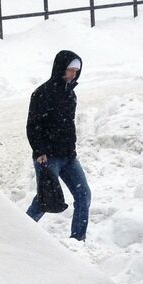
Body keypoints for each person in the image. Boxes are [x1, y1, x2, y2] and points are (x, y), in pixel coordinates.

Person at [25, 49, 91, 241]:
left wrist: (71, 149)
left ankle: (78, 240)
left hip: (68, 156)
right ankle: (20, 231)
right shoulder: (42, 93)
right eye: (70, 69)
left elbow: (68, 124)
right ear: (60, 68)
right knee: (45, 199)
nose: (73, 74)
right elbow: (33, 125)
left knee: (83, 194)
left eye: (76, 71)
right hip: (47, 156)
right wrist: (39, 151)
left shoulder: (70, 95)